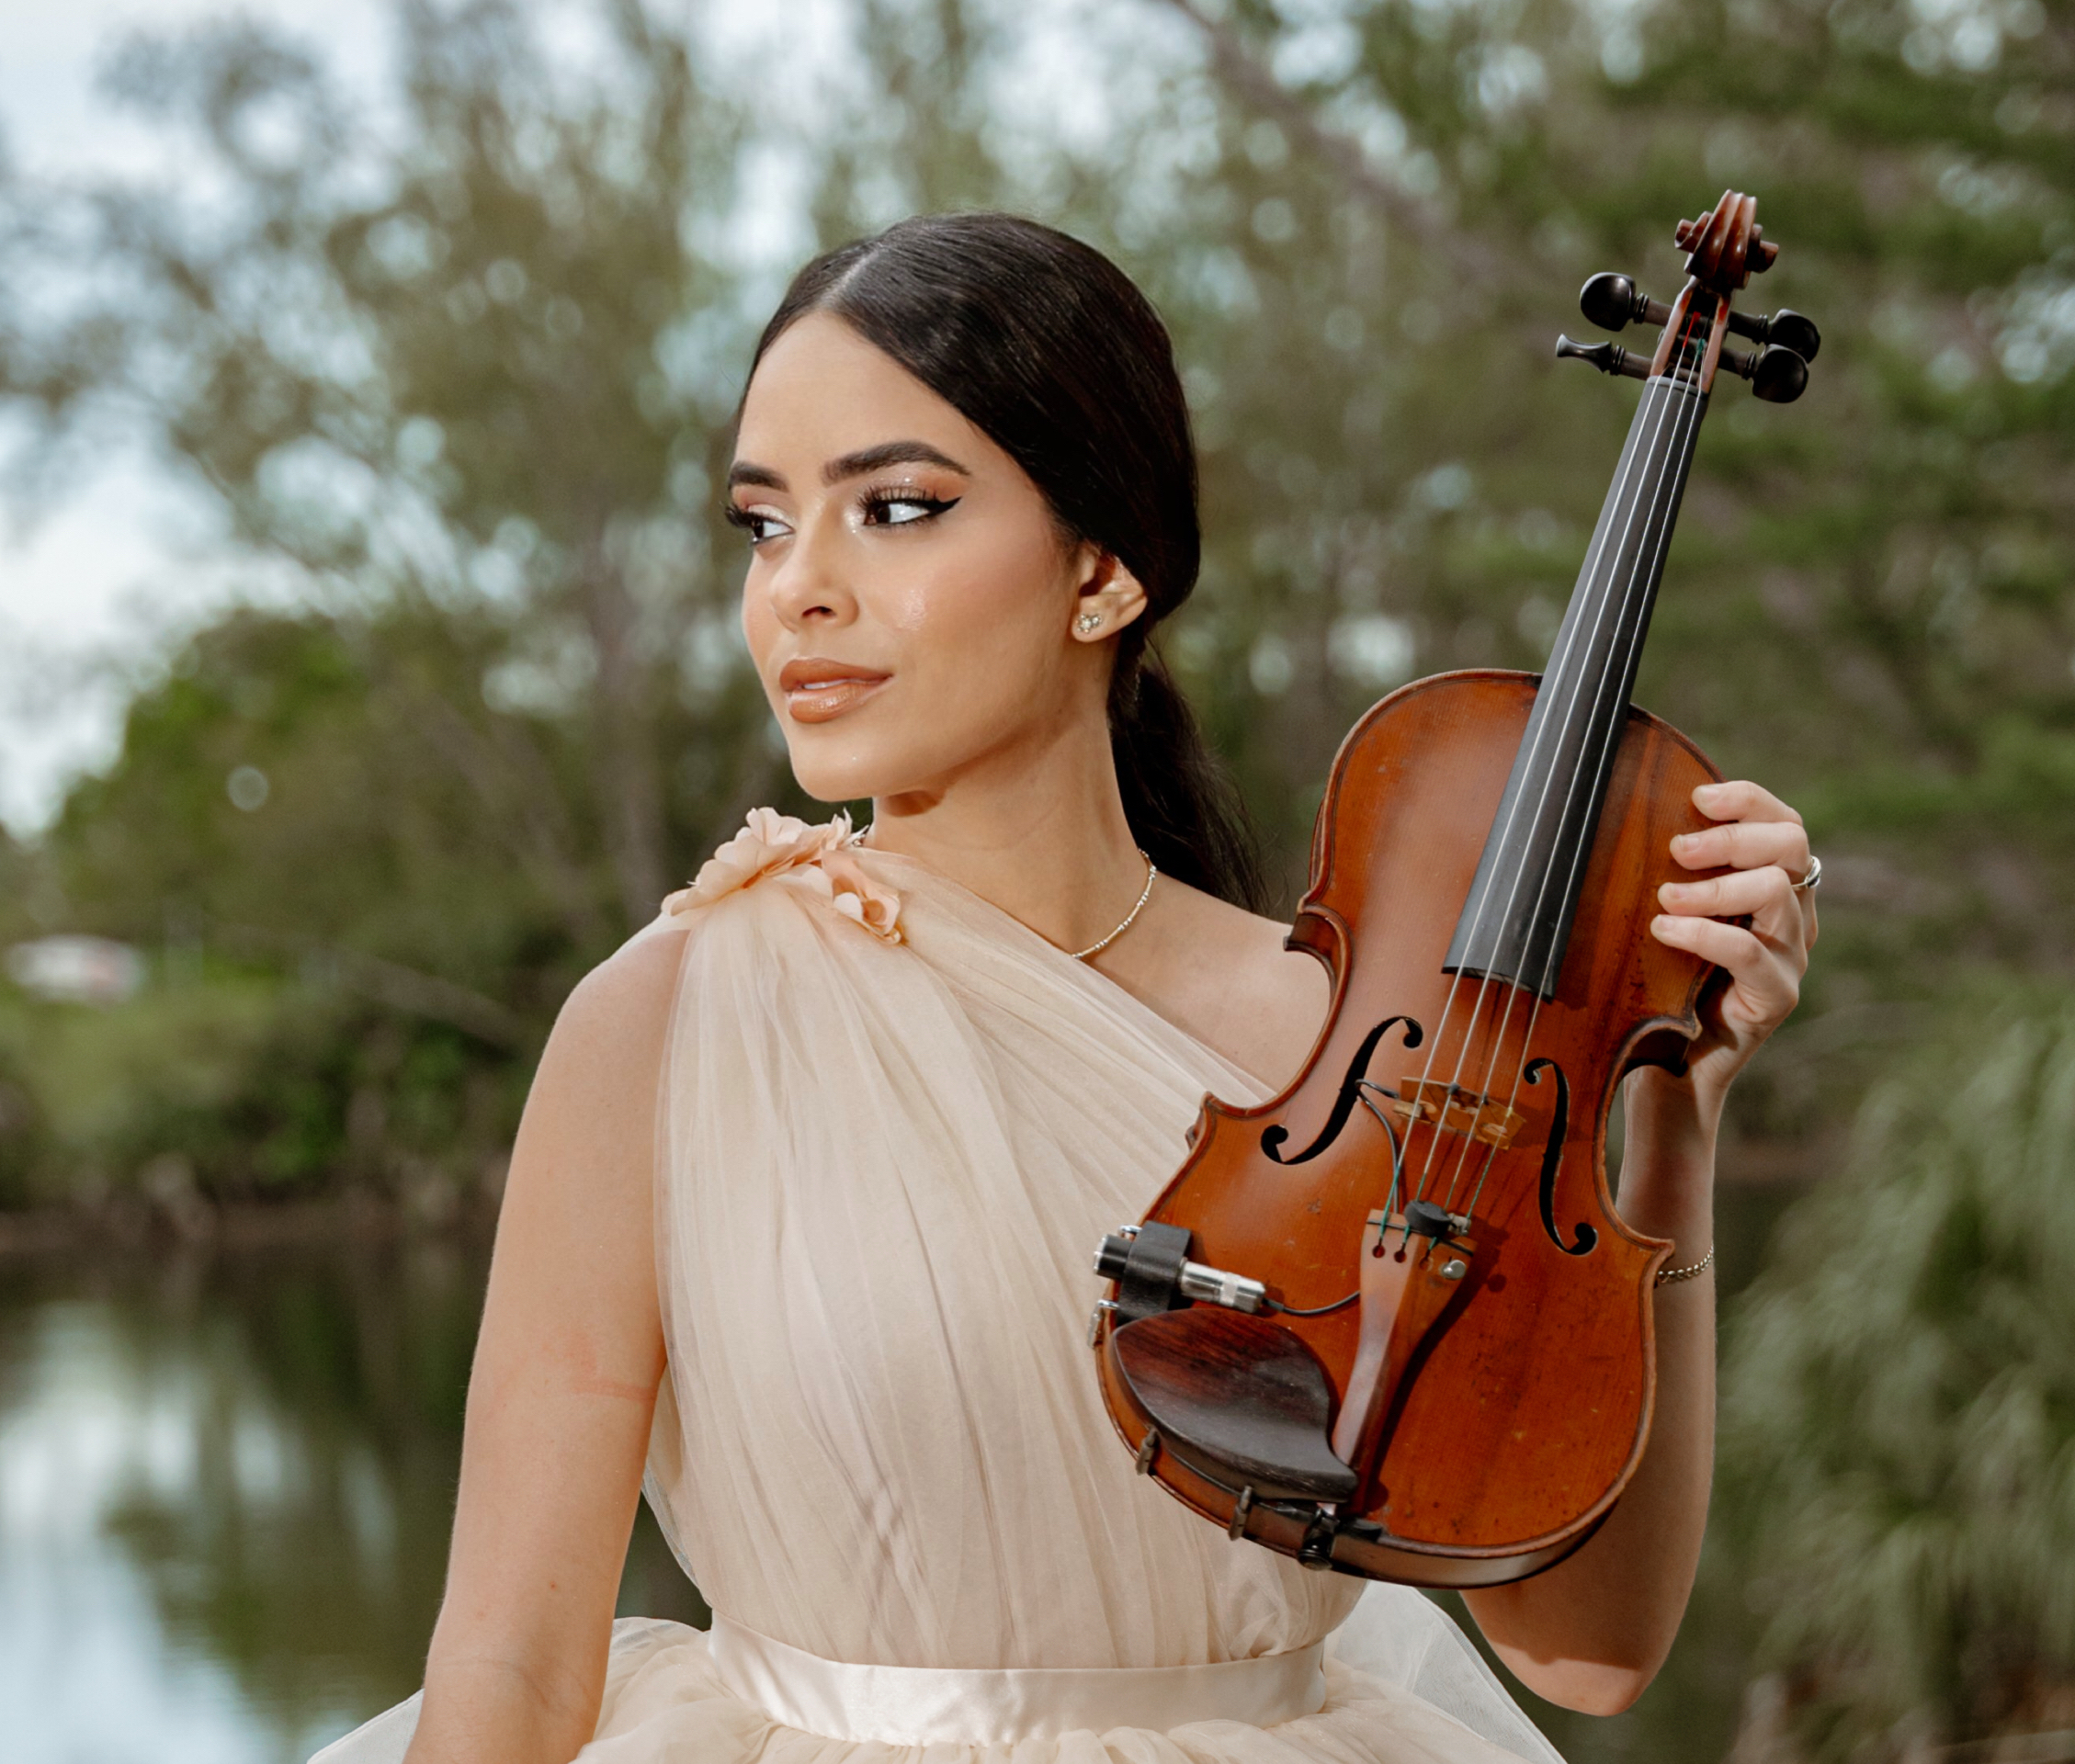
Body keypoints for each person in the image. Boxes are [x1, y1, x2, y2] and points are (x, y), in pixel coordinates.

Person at [314, 212, 1816, 1764]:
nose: (799, 593)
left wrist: (1672, 1115)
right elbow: (508, 1672)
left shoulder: (1346, 1050)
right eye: (765, 525)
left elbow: (1587, 1652)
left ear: (1104, 571)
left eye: (894, 508)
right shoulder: (665, 1024)